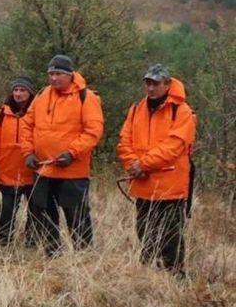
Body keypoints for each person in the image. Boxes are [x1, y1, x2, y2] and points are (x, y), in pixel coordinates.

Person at [117, 64, 196, 275]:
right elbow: (124, 141)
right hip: (143, 185)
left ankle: (175, 276)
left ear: (167, 84)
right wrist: (133, 165)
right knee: (144, 233)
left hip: (170, 186)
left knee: (171, 235)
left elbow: (174, 146)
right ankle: (148, 276)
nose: (151, 88)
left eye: (156, 83)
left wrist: (143, 164)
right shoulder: (136, 109)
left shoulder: (182, 111)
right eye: (148, 83)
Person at [22, 54, 104, 255]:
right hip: (43, 169)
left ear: (70, 75)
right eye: (50, 74)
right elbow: (26, 125)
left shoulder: (87, 97)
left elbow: (93, 131)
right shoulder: (42, 95)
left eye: (58, 74)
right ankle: (53, 253)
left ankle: (83, 256)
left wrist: (72, 153)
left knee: (77, 216)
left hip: (72, 172)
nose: (53, 78)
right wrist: (28, 153)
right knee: (45, 214)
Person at [0, 76, 42, 245]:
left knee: (35, 209)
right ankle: (4, 241)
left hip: (32, 170)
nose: (18, 94)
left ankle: (32, 241)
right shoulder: (1, 114)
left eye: (22, 90)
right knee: (8, 208)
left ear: (30, 92)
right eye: (16, 90)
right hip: (8, 171)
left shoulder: (39, 113)